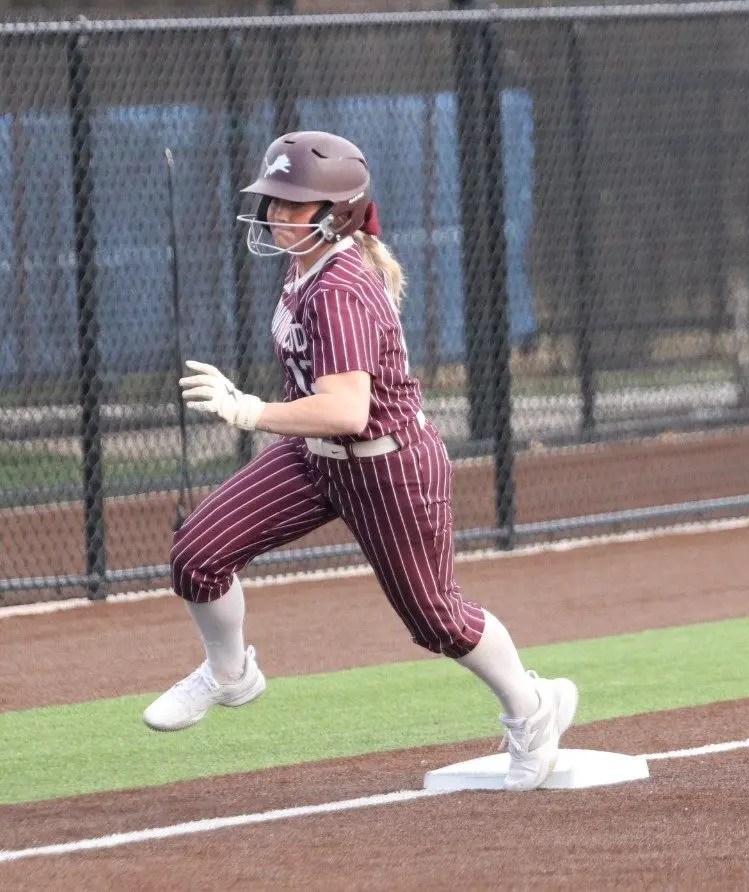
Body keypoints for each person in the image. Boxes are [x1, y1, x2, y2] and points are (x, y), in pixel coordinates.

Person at [143, 130, 578, 792]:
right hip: (315, 458)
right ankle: (230, 675)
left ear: (336, 214)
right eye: (273, 200)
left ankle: (532, 707)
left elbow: (347, 411)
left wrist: (248, 410)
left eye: (292, 203)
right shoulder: (306, 266)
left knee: (436, 620)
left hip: (385, 466)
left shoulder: (339, 287)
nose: (275, 214)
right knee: (197, 556)